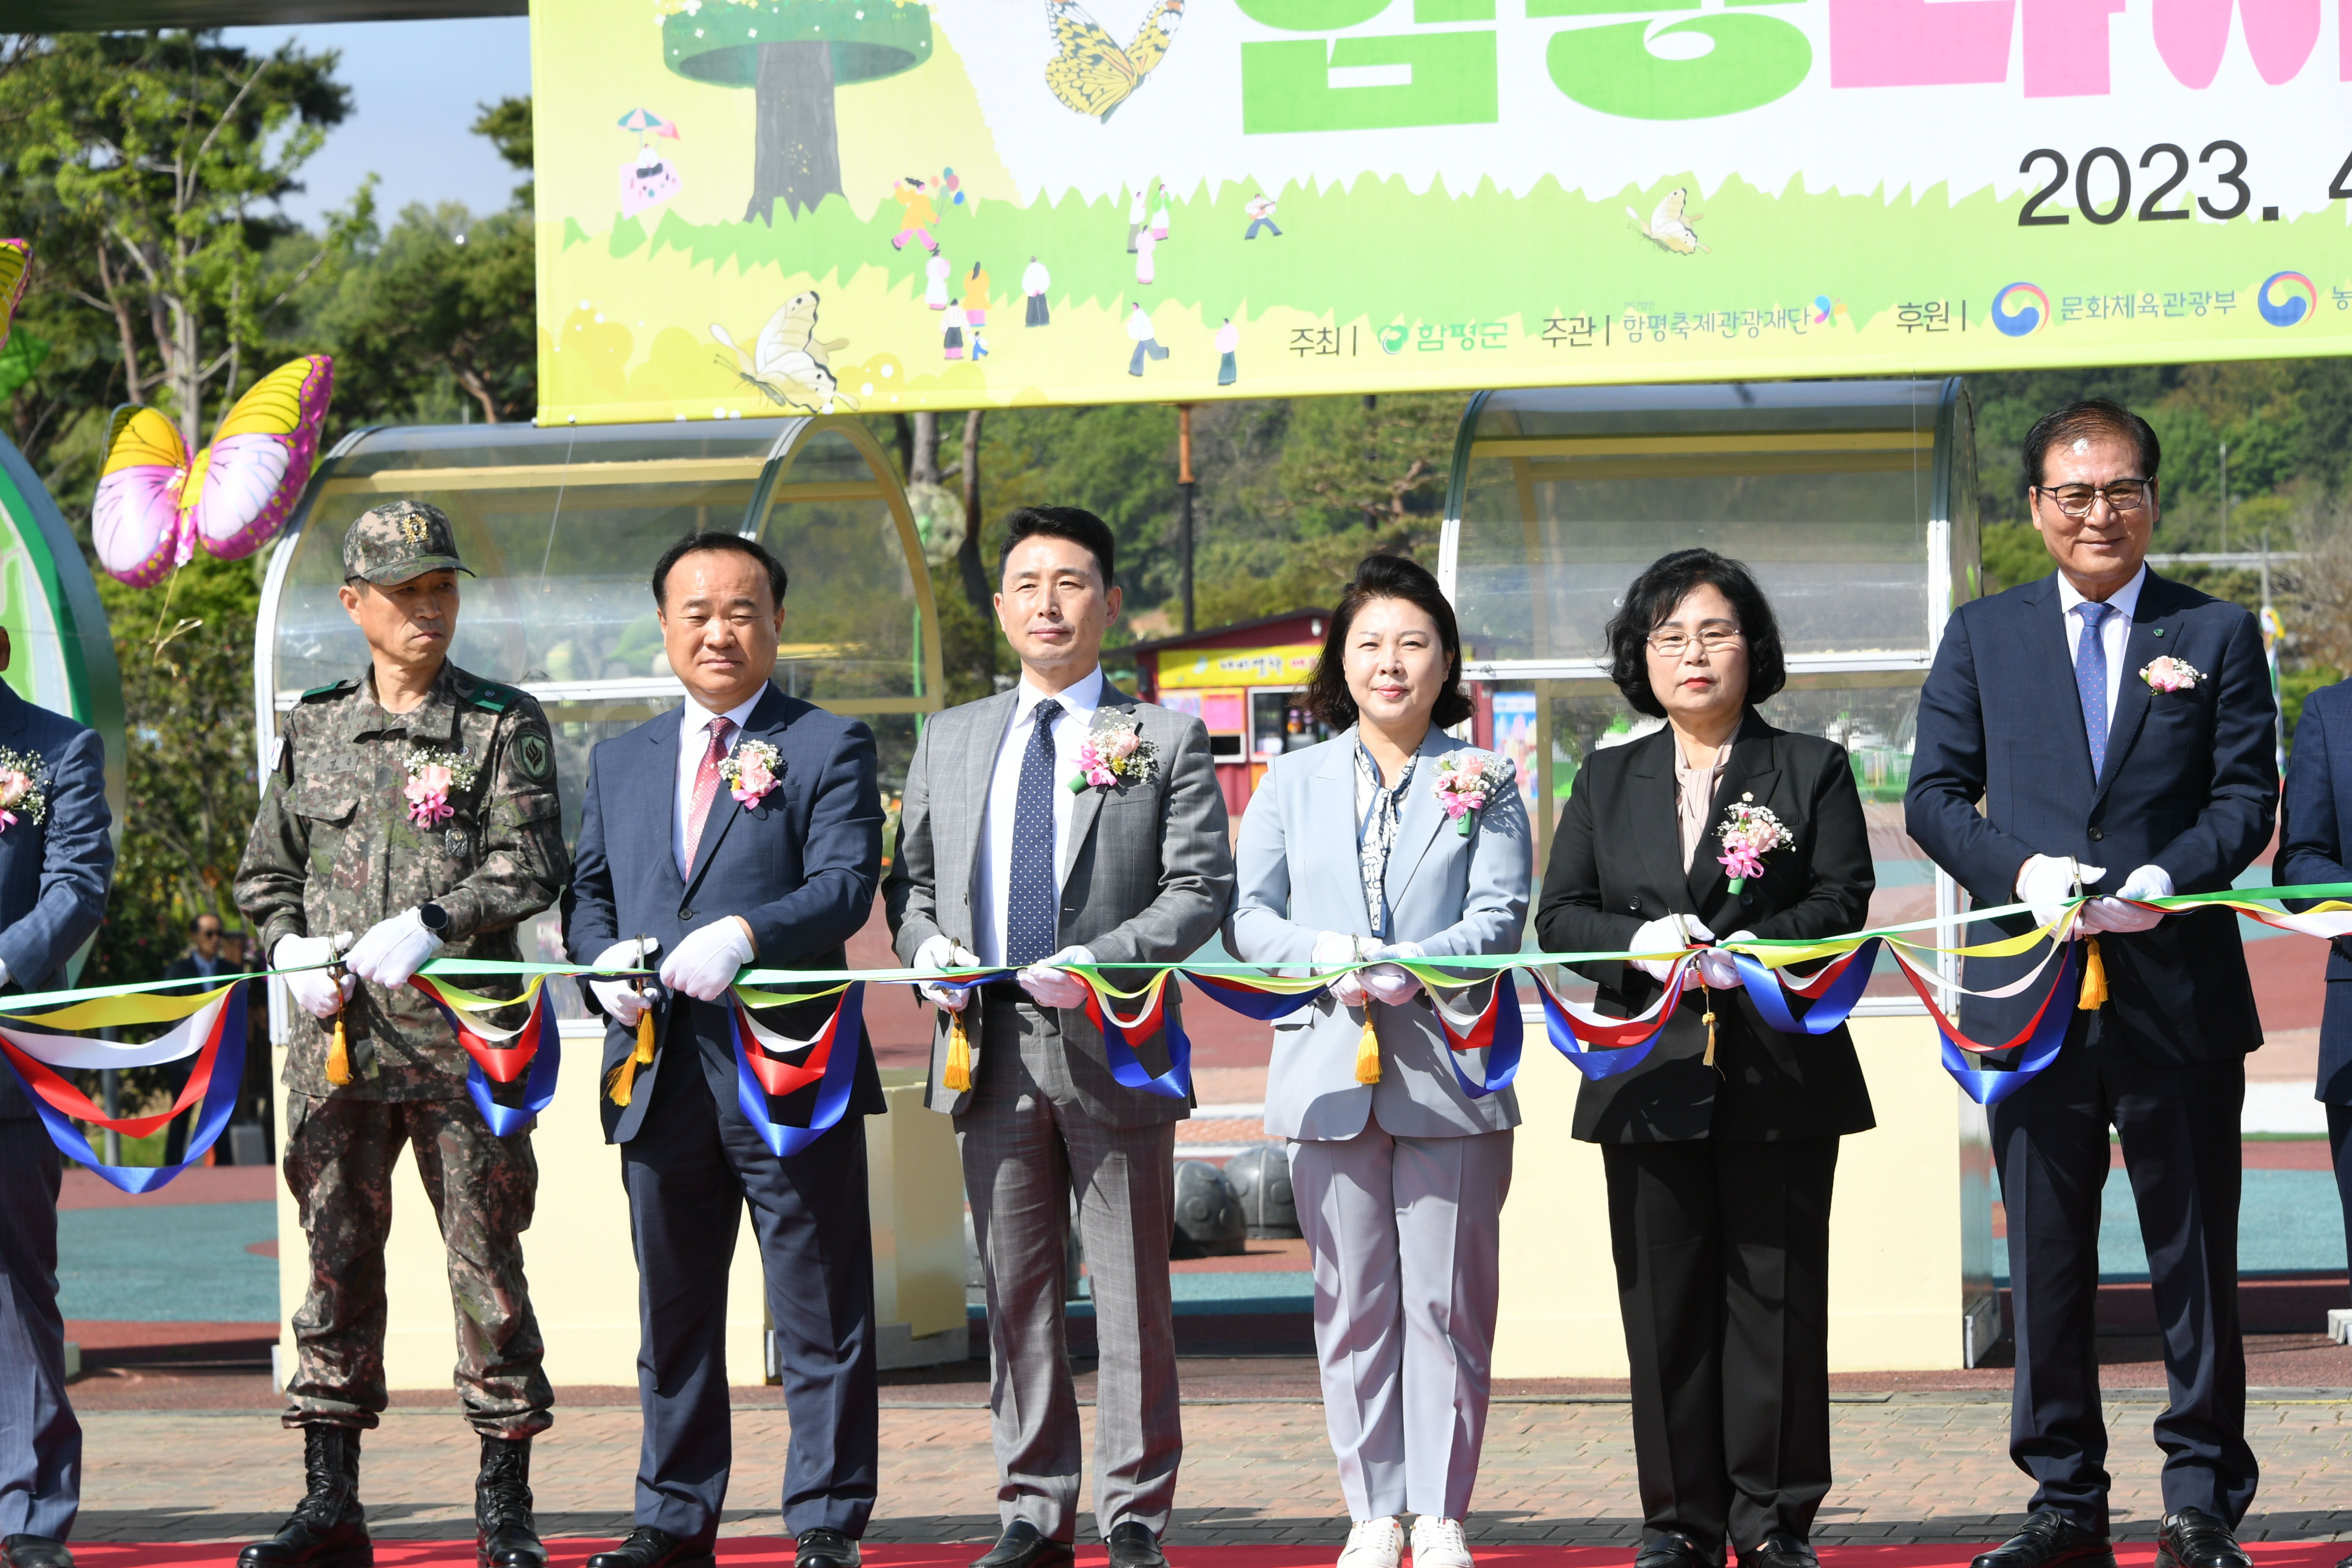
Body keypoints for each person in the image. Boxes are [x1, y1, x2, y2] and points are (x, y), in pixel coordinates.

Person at [1906, 400, 2274, 1568]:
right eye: (2074, 493)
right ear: (2036, 508)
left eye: (2120, 491)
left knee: (2195, 1256)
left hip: (2178, 990)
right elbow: (1933, 797)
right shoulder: (1982, 634)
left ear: (2153, 501)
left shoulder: (2213, 635)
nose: (2097, 513)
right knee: (2048, 1259)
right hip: (2032, 988)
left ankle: (2201, 1498)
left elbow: (2244, 796)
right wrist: (2022, 869)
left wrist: (2169, 873)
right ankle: (2063, 1501)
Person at [885, 506, 1233, 1568]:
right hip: (982, 1041)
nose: (1048, 601)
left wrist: (1106, 960)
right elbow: (916, 884)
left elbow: (1200, 886)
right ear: (999, 607)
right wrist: (926, 946)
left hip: (1111, 1038)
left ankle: (1133, 1512)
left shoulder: (1161, 736)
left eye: (1071, 581)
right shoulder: (949, 737)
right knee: (1015, 1289)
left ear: (1109, 603)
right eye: (1027, 583)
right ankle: (1032, 1509)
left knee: (1132, 1292)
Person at [234, 501, 570, 1568]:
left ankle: (504, 1505)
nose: (428, 608)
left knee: (486, 1266)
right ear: (353, 605)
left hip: (465, 1045)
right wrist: (287, 947)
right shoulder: (316, 725)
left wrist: (434, 922)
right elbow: (264, 872)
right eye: (404, 591)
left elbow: (532, 862)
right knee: (333, 1268)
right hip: (338, 1052)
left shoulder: (499, 723)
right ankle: (331, 1501)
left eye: (441, 587)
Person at [1535, 549, 1875, 1568]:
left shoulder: (1809, 767)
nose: (1693, 653)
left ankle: (1772, 1520)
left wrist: (1755, 952)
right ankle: (1677, 1521)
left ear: (1752, 647)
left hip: (1777, 1072)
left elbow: (1842, 899)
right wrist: (1637, 946)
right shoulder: (1604, 776)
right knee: (1663, 1305)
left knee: (1775, 1303)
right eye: (1669, 635)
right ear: (1642, 656)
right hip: (1645, 1076)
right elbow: (1560, 917)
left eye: (1715, 631)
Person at [565, 531, 886, 1568]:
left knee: (820, 1303)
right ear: (663, 626)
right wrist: (596, 961)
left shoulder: (829, 742)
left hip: (789, 1069)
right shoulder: (621, 760)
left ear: (777, 623)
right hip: (658, 1072)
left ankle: (827, 1517)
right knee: (675, 1310)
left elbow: (844, 882)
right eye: (695, 611)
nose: (718, 630)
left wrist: (747, 935)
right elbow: (589, 895)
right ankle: (671, 1515)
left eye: (741, 609)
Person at [1225, 555, 1529, 1568]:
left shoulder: (1483, 775)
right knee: (1350, 1303)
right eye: (1368, 644)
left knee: (1446, 1302)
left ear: (1446, 661)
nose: (1389, 663)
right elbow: (1247, 918)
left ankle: (1440, 1510)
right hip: (1322, 1068)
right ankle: (1371, 1508)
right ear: (1340, 662)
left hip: (1448, 1068)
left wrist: (1415, 966)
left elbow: (1498, 915)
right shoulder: (1290, 779)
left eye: (1412, 643)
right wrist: (1322, 956)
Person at [0, 634, 115, 1568]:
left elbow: (77, 886)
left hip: (7, 1055)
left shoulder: (56, 749)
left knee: (12, 1284)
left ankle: (32, 1511)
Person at [159, 914, 242, 1165]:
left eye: (219, 934)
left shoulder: (232, 972)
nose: (215, 940)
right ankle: (171, 1172)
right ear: (195, 936)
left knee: (221, 1118)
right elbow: (167, 1016)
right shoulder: (177, 972)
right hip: (186, 1059)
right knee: (181, 1117)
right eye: (209, 934)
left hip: (221, 1058)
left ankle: (227, 1179)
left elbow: (239, 1015)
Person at [1023, 256, 1052, 328]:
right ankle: (1039, 321)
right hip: (1036, 291)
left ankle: (1038, 321)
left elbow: (1045, 278)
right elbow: (1027, 281)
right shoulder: (1039, 268)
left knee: (1038, 306)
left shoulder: (1034, 268)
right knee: (1035, 306)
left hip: (1037, 291)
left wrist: (1039, 289)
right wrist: (1035, 290)